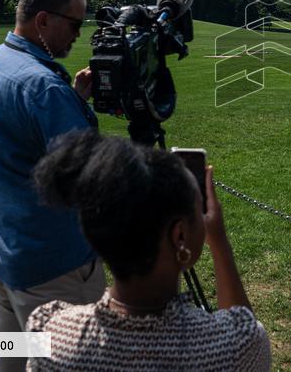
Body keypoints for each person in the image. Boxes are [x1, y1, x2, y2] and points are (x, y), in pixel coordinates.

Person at [25, 130, 271, 371]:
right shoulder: (234, 346)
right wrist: (219, 242)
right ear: (180, 237)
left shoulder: (49, 334)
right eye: (198, 210)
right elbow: (245, 335)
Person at [0, 0, 102, 372]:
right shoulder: (44, 89)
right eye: (74, 23)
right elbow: (88, 178)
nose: (78, 34)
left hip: (1, 254)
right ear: (43, 20)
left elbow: (19, 139)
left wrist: (71, 102)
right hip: (54, 269)